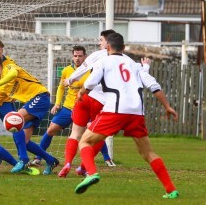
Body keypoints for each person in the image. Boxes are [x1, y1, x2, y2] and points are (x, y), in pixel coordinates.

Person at [74, 33, 179, 199]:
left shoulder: (103, 61)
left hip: (115, 110)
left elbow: (90, 82)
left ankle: (92, 173)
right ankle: (171, 190)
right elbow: (153, 85)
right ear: (123, 48)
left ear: (107, 47)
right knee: (148, 153)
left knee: (85, 141)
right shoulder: (134, 64)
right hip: (136, 112)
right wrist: (167, 106)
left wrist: (81, 93)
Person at [0, 54, 59, 175]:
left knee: (14, 119)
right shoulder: (0, 89)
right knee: (25, 141)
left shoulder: (9, 68)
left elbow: (13, 74)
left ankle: (23, 160)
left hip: (40, 96)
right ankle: (51, 160)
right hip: (31, 103)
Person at [59, 30, 124, 177]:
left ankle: (68, 163)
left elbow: (82, 70)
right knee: (100, 136)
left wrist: (69, 80)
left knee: (75, 133)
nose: (99, 43)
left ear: (108, 43)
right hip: (103, 103)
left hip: (86, 97)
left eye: (101, 40)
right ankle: (83, 167)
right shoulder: (124, 59)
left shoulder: (97, 55)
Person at [30, 46, 89, 166]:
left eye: (80, 56)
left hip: (84, 108)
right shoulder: (66, 70)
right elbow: (61, 87)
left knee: (90, 132)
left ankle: (107, 159)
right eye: (75, 56)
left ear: (85, 57)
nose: (77, 58)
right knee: (51, 130)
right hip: (68, 107)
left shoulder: (90, 71)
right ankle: (38, 157)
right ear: (72, 57)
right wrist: (57, 104)